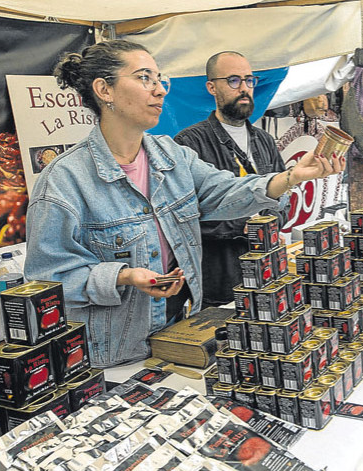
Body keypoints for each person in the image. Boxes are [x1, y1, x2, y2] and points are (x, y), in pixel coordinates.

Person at [25, 40, 344, 367]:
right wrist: (123, 276)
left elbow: (224, 192)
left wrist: (292, 176)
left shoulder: (172, 156)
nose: (160, 90)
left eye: (159, 79)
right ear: (104, 90)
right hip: (112, 352)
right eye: (144, 78)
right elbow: (46, 280)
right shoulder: (64, 179)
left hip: (177, 335)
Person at [173, 51, 287, 309]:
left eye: (249, 80)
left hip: (268, 273)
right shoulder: (190, 142)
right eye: (234, 81)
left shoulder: (264, 140)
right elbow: (183, 217)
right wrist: (241, 227)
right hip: (221, 281)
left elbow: (283, 198)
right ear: (211, 87)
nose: (244, 89)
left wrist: (273, 223)